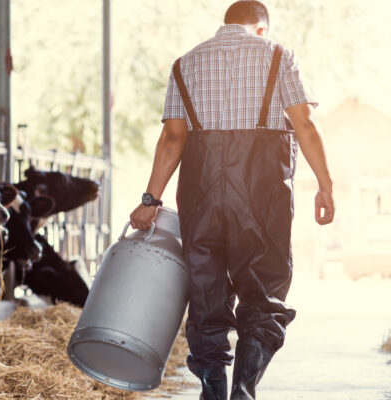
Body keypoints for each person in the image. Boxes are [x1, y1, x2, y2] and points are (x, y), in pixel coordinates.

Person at [128, 1, 335, 399]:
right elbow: (305, 124)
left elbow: (173, 138)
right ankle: (243, 389)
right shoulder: (278, 55)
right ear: (262, 28)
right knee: (263, 291)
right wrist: (325, 185)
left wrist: (151, 199)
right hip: (262, 195)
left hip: (200, 196)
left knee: (206, 292)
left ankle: (213, 389)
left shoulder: (184, 64)